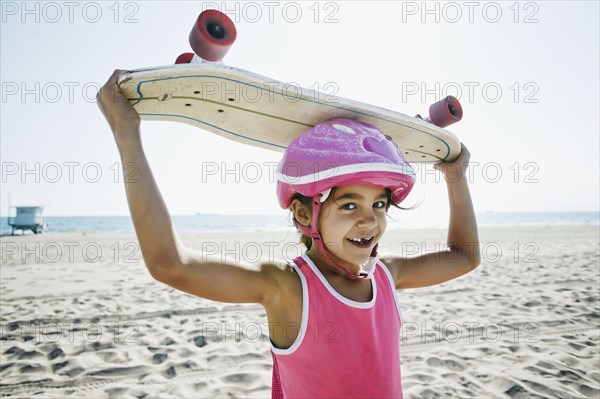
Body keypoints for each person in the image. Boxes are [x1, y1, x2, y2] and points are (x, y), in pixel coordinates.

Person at [97, 69, 480, 399]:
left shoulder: (386, 276)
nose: (369, 221)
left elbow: (465, 256)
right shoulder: (287, 288)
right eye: (349, 205)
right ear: (302, 212)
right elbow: (171, 264)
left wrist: (455, 178)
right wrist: (127, 135)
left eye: (379, 205)